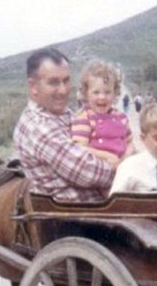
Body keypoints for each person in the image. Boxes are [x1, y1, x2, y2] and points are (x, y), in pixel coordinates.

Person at [13, 48, 117, 202]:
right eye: (53, 83)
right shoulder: (38, 127)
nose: (63, 90)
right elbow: (87, 172)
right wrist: (127, 166)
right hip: (79, 218)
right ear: (33, 86)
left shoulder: (62, 113)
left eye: (66, 81)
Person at [71, 60, 136, 165]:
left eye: (107, 92)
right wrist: (107, 156)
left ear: (115, 93)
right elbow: (80, 149)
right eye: (96, 92)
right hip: (99, 171)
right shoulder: (84, 119)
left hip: (123, 168)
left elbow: (130, 143)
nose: (102, 97)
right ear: (86, 94)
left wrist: (126, 157)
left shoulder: (121, 117)